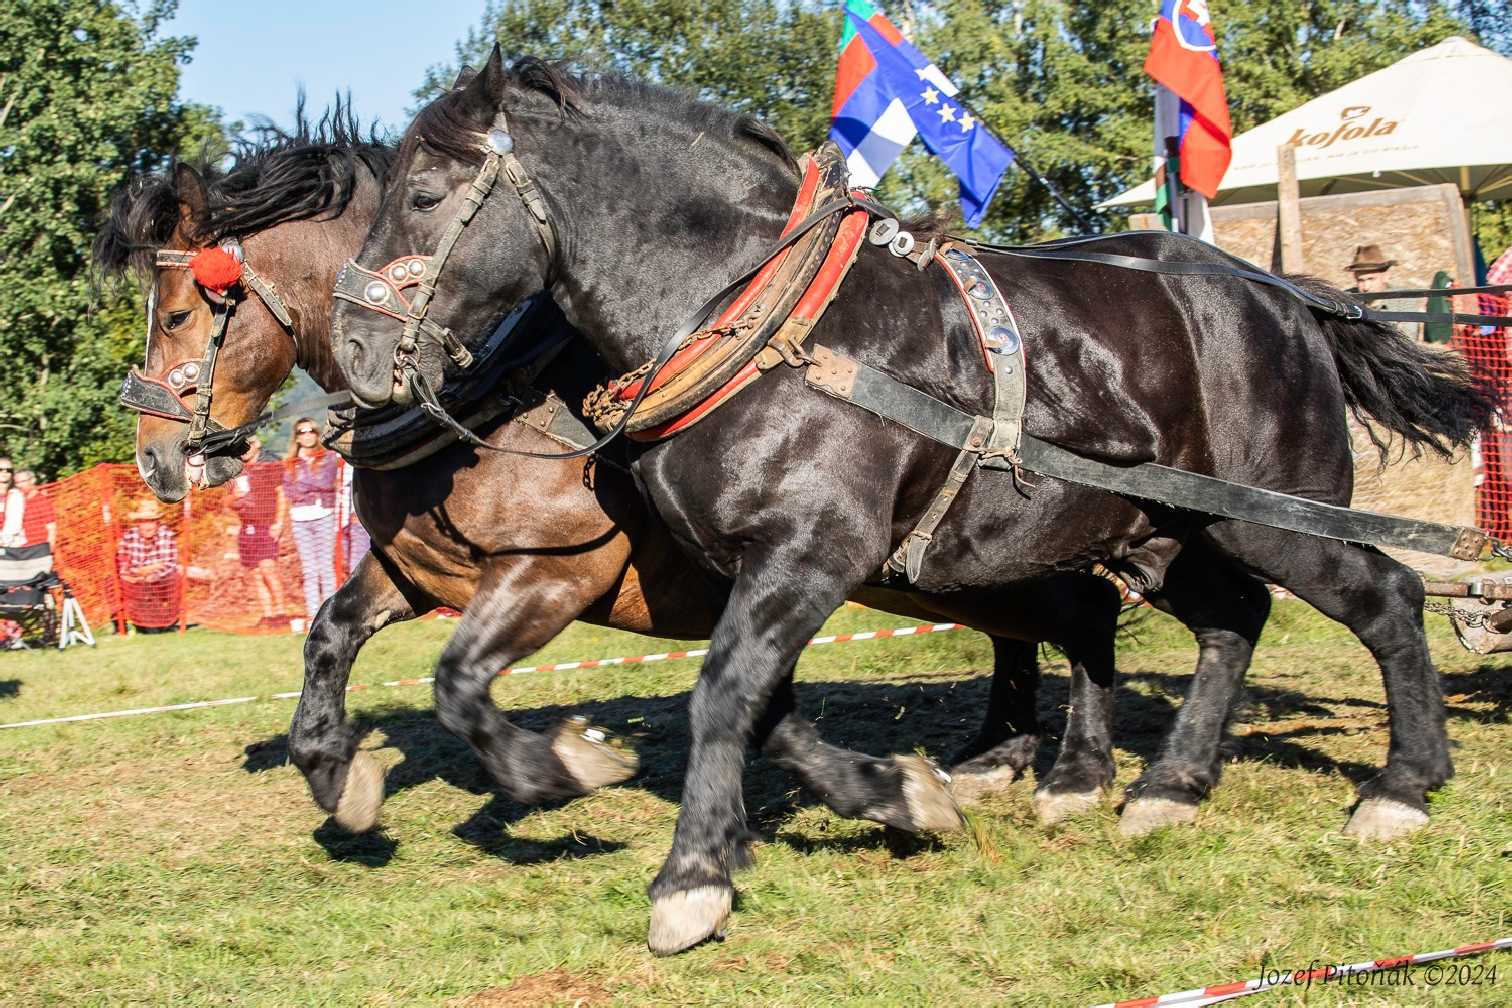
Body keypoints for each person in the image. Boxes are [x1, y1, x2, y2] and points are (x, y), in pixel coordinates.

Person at [282, 418, 339, 625]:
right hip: (299, 519)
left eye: (311, 431)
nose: (307, 435)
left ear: (316, 434)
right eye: (302, 432)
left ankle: (330, 613)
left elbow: (325, 482)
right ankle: (314, 613)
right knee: (309, 569)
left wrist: (304, 484)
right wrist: (308, 484)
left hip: (323, 515)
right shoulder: (289, 463)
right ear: (296, 437)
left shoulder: (328, 457)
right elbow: (289, 491)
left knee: (326, 566)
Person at [229, 436, 289, 626]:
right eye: (240, 445)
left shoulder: (270, 464)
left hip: (267, 525)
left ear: (258, 444)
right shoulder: (235, 470)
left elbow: (282, 494)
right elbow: (227, 502)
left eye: (249, 443)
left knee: (268, 569)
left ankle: (281, 613)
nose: (245, 448)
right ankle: (268, 615)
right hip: (246, 528)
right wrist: (234, 499)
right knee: (255, 574)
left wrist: (279, 523)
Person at [116, 497, 180, 630]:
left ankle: (172, 620)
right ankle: (119, 623)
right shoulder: (128, 537)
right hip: (135, 582)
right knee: (111, 582)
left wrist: (153, 574)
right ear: (138, 523)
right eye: (144, 522)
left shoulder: (166, 534)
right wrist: (146, 570)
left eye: (151, 522)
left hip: (159, 581)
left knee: (175, 577)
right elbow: (124, 566)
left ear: (157, 523)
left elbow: (170, 564)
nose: (148, 526)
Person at [14, 470, 57, 551]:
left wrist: (49, 551)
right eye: (17, 483)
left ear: (33, 480)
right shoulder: (17, 502)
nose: (19, 485)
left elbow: (52, 529)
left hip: (38, 551)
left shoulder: (42, 500)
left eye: (23, 481)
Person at [0, 458, 26, 547]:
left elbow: (14, 524)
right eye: (0, 469)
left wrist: (2, 541)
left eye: (8, 470)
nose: (4, 473)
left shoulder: (16, 496)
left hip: (11, 547)